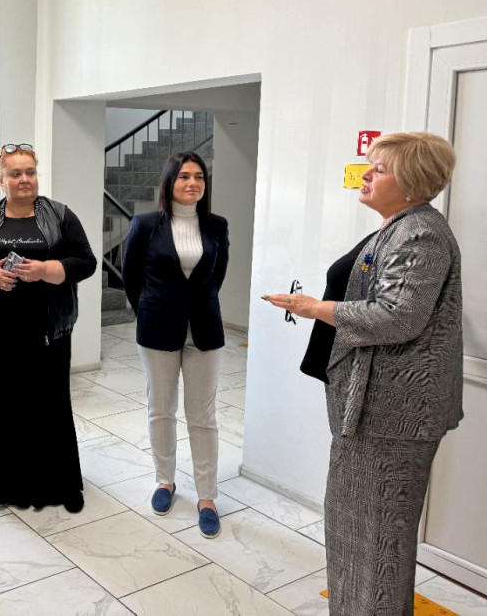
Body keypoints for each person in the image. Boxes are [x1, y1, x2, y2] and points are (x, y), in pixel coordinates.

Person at [264, 131, 463, 616]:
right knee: (357, 533)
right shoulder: (398, 226)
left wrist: (314, 308)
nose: (366, 174)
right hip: (373, 414)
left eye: (379, 168)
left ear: (411, 182)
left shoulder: (422, 233)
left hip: (393, 418)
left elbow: (399, 316)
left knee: (378, 543)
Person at [0, 143, 97, 512]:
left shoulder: (60, 216)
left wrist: (47, 270)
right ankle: (4, 480)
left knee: (48, 404)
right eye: (15, 173)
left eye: (30, 172)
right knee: (1, 405)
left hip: (47, 330)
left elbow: (86, 261)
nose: (24, 179)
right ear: (1, 180)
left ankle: (54, 481)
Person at [121, 151, 229, 538]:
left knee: (202, 416)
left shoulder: (216, 225)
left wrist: (195, 305)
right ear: (170, 182)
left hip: (204, 330)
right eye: (184, 176)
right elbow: (130, 276)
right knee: (161, 410)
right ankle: (164, 480)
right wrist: (151, 309)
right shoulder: (145, 224)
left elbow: (216, 275)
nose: (192, 183)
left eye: (199, 176)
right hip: (157, 328)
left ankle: (207, 497)